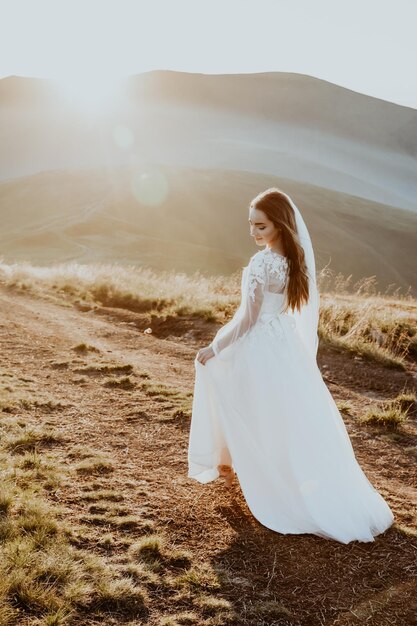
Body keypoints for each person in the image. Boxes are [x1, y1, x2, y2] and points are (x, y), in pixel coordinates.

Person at [187, 187, 394, 544]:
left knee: (237, 393)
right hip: (283, 345)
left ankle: (236, 466)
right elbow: (281, 312)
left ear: (279, 225)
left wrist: (215, 345)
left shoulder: (262, 263)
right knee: (285, 412)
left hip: (257, 344)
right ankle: (252, 465)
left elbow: (249, 319)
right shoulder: (294, 262)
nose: (254, 232)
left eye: (261, 226)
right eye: (251, 225)